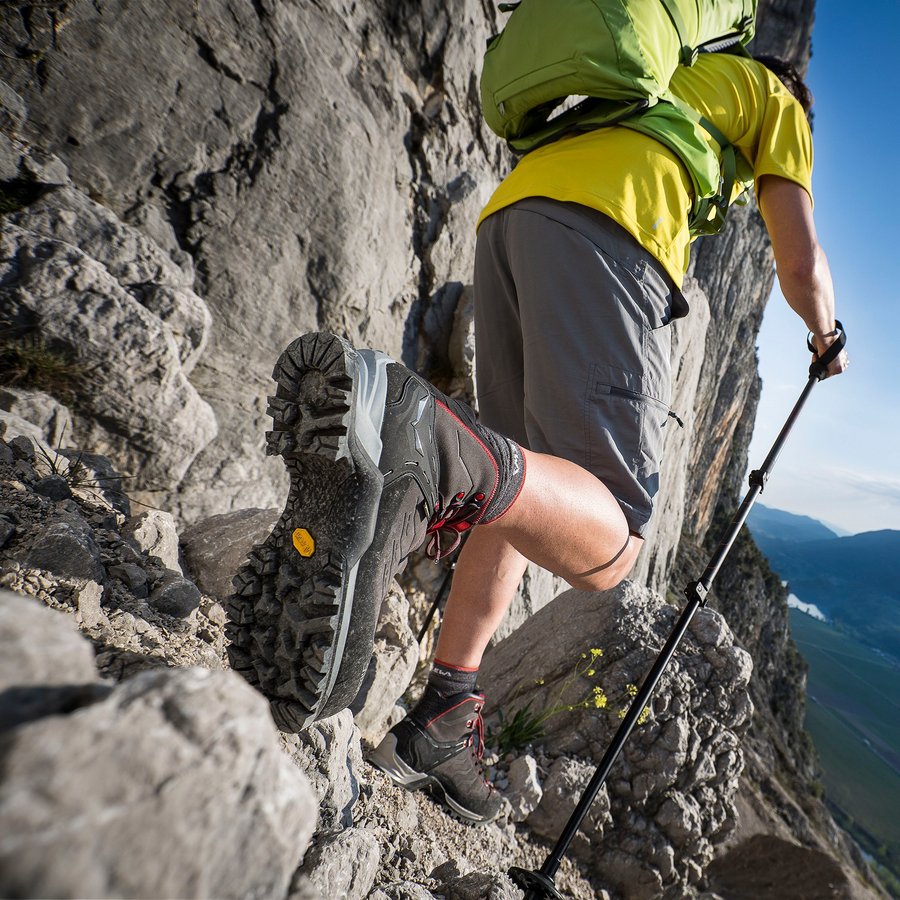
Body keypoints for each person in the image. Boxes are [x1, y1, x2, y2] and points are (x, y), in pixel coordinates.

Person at [228, 51, 848, 825]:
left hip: (515, 215)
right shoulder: (774, 101)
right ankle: (427, 446)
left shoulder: (676, 74)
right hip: (617, 229)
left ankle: (443, 720)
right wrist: (827, 336)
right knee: (612, 543)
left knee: (528, 487)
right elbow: (801, 260)